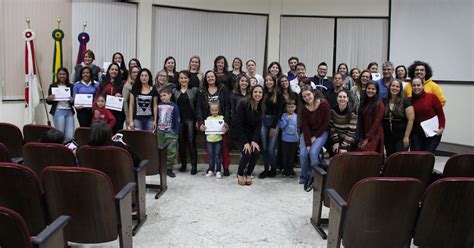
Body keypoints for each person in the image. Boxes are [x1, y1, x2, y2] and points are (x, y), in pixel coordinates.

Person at [197, 70, 231, 176]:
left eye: (212, 76)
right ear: (205, 79)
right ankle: (211, 168)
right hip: (209, 124)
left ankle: (224, 167)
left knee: (224, 147)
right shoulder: (201, 91)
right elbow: (198, 108)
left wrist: (226, 122)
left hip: (221, 123)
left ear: (215, 77)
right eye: (208, 77)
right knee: (210, 148)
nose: (210, 78)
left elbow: (228, 106)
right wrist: (200, 122)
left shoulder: (223, 89)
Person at [299, 85, 330, 187]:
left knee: (313, 152)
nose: (307, 98)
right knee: (303, 154)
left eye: (308, 94)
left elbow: (325, 123)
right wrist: (308, 143)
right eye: (304, 96)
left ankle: (315, 177)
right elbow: (305, 126)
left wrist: (315, 137)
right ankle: (304, 176)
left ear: (313, 93)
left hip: (321, 132)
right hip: (308, 133)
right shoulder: (304, 108)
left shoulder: (324, 104)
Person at [234, 85, 264, 186]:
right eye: (255, 92)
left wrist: (254, 140)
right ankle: (240, 173)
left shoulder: (261, 106)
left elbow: (259, 126)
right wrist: (245, 142)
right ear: (251, 93)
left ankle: (249, 173)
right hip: (239, 134)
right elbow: (238, 123)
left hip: (252, 135)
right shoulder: (244, 103)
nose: (258, 94)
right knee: (247, 153)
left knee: (256, 151)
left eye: (260, 92)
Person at [259, 74, 285, 178]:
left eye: (270, 80)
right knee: (264, 148)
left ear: (274, 82)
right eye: (266, 80)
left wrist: (274, 127)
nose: (268, 82)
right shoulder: (262, 93)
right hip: (263, 121)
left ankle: (273, 169)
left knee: (271, 149)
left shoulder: (278, 94)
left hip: (274, 122)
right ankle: (266, 169)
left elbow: (279, 112)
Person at [409, 77, 445, 153]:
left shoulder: (432, 97)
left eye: (418, 85)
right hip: (416, 133)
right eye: (414, 85)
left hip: (433, 133)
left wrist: (441, 128)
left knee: (428, 156)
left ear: (423, 85)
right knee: (416, 156)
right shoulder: (409, 100)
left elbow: (440, 114)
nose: (416, 87)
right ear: (411, 86)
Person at [173, 70, 199, 175]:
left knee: (191, 141)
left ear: (189, 79)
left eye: (185, 78)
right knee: (181, 142)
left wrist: (198, 120)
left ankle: (194, 165)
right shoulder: (175, 91)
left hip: (190, 119)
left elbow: (197, 107)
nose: (183, 80)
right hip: (179, 120)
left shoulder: (194, 90)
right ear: (178, 80)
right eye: (181, 78)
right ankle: (183, 164)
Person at [383, 80, 414, 156]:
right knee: (390, 157)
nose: (395, 88)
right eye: (393, 86)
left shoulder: (405, 101)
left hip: (401, 137)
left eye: (397, 86)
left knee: (400, 159)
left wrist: (406, 137)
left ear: (400, 89)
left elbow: (411, 119)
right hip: (388, 136)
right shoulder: (384, 100)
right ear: (389, 87)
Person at [156, 86, 180, 178]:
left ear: (170, 95)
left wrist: (176, 131)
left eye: (164, 95)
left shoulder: (174, 106)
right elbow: (157, 117)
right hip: (160, 131)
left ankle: (169, 168)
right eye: (161, 96)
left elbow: (177, 119)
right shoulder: (159, 105)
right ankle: (161, 168)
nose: (162, 97)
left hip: (171, 132)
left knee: (171, 150)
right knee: (160, 149)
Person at [46, 67, 75, 141]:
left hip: (69, 112)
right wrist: (49, 98)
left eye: (64, 74)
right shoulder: (53, 86)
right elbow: (49, 102)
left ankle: (68, 150)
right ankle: (60, 150)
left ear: (67, 75)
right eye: (60, 74)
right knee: (60, 135)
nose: (62, 76)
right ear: (57, 75)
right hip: (58, 111)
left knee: (70, 136)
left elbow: (74, 102)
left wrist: (72, 100)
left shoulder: (71, 86)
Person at [97, 63, 126, 133]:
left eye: (116, 70)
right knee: (105, 132)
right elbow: (97, 96)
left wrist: (121, 96)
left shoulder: (123, 83)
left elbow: (127, 97)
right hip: (105, 111)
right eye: (112, 69)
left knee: (117, 132)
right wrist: (96, 109)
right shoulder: (103, 83)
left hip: (118, 113)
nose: (114, 71)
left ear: (118, 72)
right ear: (109, 71)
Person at [358, 81, 385, 154]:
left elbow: (376, 123)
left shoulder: (379, 104)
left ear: (377, 91)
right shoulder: (364, 101)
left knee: (372, 159)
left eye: (373, 89)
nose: (370, 90)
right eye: (369, 88)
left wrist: (367, 138)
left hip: (375, 136)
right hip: (365, 134)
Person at [329, 90, 358, 154]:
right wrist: (336, 141)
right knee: (334, 152)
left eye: (344, 97)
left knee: (344, 155)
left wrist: (344, 147)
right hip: (337, 137)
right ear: (337, 98)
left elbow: (351, 131)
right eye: (340, 97)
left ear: (347, 99)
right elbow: (332, 127)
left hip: (349, 138)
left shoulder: (353, 112)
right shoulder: (332, 111)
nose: (342, 99)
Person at [204, 102, 226, 179]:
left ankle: (218, 171)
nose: (214, 112)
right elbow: (205, 128)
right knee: (210, 156)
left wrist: (224, 128)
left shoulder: (221, 118)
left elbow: (224, 127)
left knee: (217, 156)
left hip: (218, 140)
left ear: (218, 110)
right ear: (210, 110)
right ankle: (211, 170)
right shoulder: (208, 119)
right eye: (212, 110)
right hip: (209, 140)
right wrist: (204, 128)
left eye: (216, 110)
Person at [279, 99, 298, 177]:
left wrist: (298, 137)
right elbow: (281, 127)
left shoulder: (297, 116)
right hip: (285, 139)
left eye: (292, 107)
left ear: (295, 107)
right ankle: (284, 170)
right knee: (285, 155)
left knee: (292, 155)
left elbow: (298, 128)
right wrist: (286, 120)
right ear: (286, 108)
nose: (290, 109)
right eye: (288, 107)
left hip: (294, 140)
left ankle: (291, 170)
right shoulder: (284, 116)